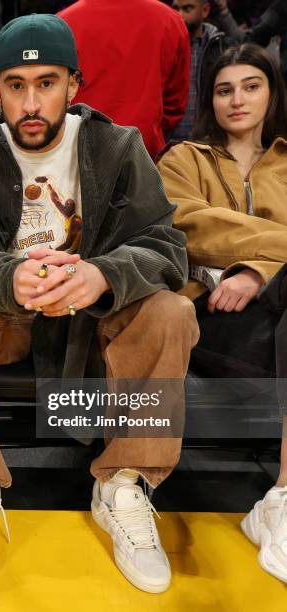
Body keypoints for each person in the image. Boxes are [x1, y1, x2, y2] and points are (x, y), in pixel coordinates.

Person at [0, 14, 198, 592]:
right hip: (8, 319)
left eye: (46, 83)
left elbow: (168, 248)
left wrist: (102, 274)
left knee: (174, 310)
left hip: (91, 321)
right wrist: (8, 277)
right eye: (15, 85)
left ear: (74, 84)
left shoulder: (119, 147)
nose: (30, 101)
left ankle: (123, 484)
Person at [158, 43, 287, 584]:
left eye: (251, 86)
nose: (238, 99)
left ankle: (280, 497)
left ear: (272, 93)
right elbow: (190, 226)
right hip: (212, 319)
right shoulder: (182, 159)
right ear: (209, 100)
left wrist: (260, 270)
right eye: (224, 88)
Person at [58, 0, 191, 160]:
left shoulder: (62, 24)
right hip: (144, 152)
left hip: (79, 152)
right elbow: (175, 105)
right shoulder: (171, 20)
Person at [170, 0, 235, 142]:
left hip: (207, 139)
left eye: (187, 8)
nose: (179, 15)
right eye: (175, 8)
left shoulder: (218, 46)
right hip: (167, 139)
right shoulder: (163, 44)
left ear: (205, 10)